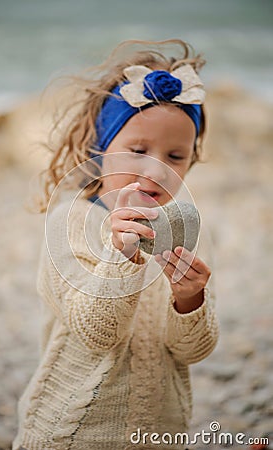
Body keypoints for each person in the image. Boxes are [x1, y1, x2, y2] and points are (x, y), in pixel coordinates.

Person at [13, 39, 219, 450]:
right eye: (137, 150)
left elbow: (195, 350)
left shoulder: (181, 229)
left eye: (175, 156)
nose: (155, 168)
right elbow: (97, 333)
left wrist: (189, 300)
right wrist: (122, 257)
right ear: (100, 150)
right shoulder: (71, 223)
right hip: (72, 434)